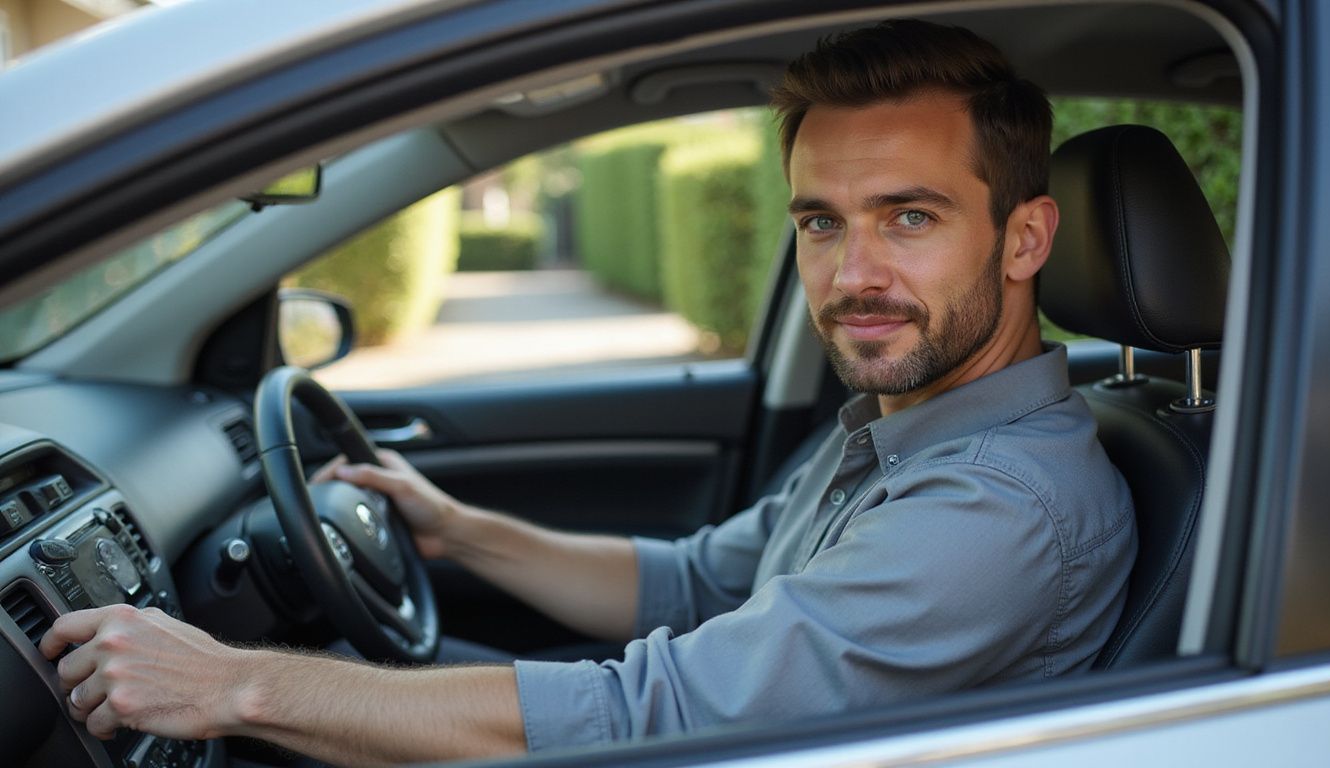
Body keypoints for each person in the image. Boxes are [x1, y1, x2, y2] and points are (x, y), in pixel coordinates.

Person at [39, 18, 1136, 766]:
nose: (852, 277)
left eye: (911, 216)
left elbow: (653, 716)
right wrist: (461, 533)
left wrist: (237, 688)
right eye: (820, 222)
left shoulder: (1001, 507)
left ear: (1026, 236)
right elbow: (700, 586)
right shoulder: (904, 430)